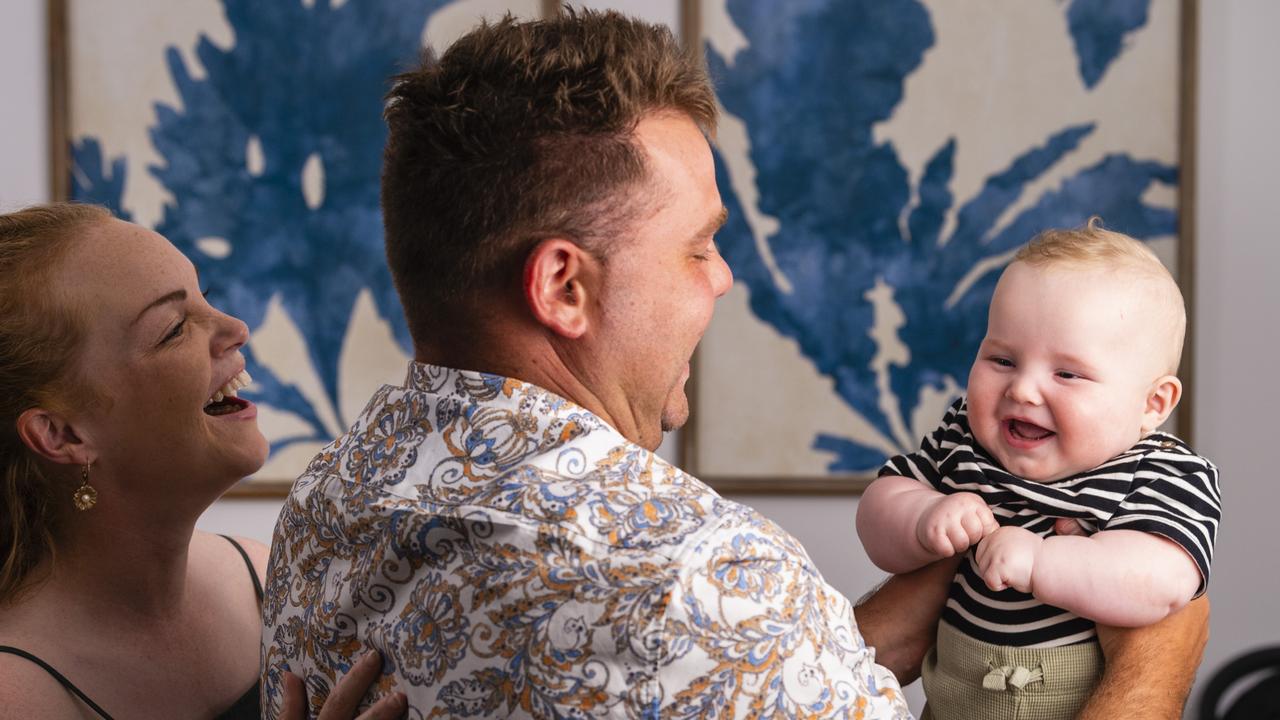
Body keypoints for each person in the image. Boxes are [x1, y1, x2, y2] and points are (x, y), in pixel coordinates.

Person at [262, 9, 1211, 719]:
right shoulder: (695, 579)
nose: (723, 279)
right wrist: (1160, 656)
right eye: (697, 247)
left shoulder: (322, 515)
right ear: (563, 287)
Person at [0, 204, 406, 719]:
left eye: (206, 298)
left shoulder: (264, 580)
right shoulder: (16, 695)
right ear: (61, 434)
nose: (237, 327)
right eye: (173, 329)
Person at [857, 221, 1222, 719]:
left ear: (1153, 403)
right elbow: (878, 513)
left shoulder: (1161, 472)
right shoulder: (965, 439)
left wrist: (1040, 563)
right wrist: (922, 515)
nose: (1023, 390)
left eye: (1066, 374)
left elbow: (1163, 582)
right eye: (1002, 360)